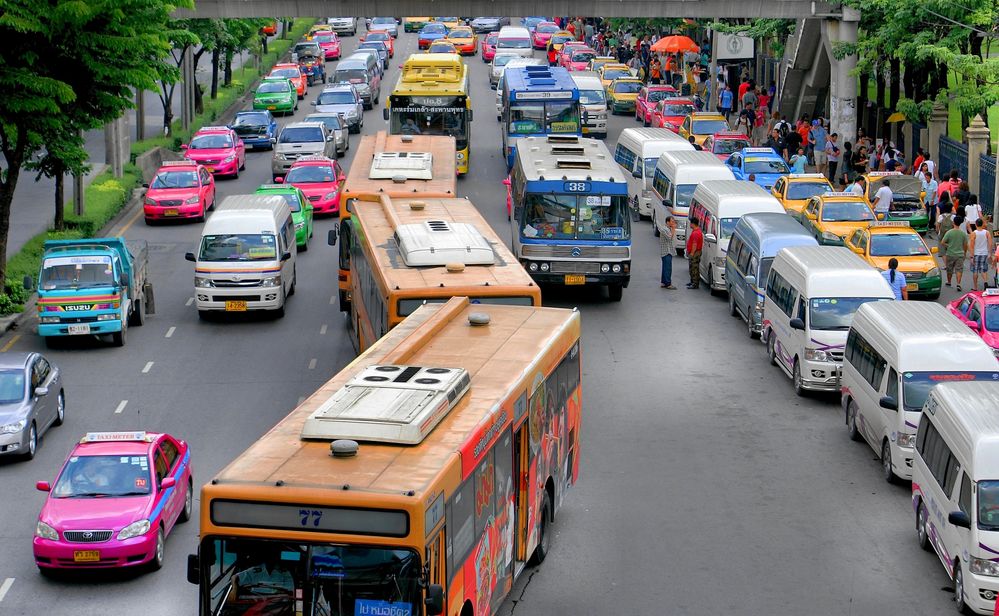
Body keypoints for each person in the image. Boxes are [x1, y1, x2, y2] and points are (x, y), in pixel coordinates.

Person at [940, 215, 968, 290]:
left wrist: (948, 246)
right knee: (959, 269)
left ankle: (949, 281)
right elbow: (965, 245)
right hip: (960, 254)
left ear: (953, 223)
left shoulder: (949, 232)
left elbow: (942, 242)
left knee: (949, 269)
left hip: (950, 253)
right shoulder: (963, 233)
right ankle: (958, 283)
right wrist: (964, 252)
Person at [969, 218, 994, 291]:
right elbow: (990, 243)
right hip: (984, 253)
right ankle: (985, 282)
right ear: (982, 224)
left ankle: (975, 287)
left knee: (975, 270)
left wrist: (971, 256)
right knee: (984, 270)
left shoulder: (974, 233)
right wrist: (990, 253)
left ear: (976, 224)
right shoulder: (987, 232)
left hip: (976, 253)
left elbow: (972, 245)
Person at [659, 214, 677, 289]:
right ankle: (668, 284)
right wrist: (673, 229)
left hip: (668, 250)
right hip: (666, 251)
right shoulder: (664, 229)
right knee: (668, 268)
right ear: (667, 222)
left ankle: (664, 282)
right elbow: (669, 238)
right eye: (672, 221)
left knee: (665, 267)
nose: (673, 223)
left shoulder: (667, 229)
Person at [686, 218, 703, 289]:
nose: (690, 224)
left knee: (694, 267)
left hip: (695, 252)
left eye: (690, 223)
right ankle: (692, 281)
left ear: (693, 224)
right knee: (692, 267)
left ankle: (695, 283)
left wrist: (692, 253)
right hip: (695, 252)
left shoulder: (696, 233)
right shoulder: (696, 231)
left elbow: (694, 244)